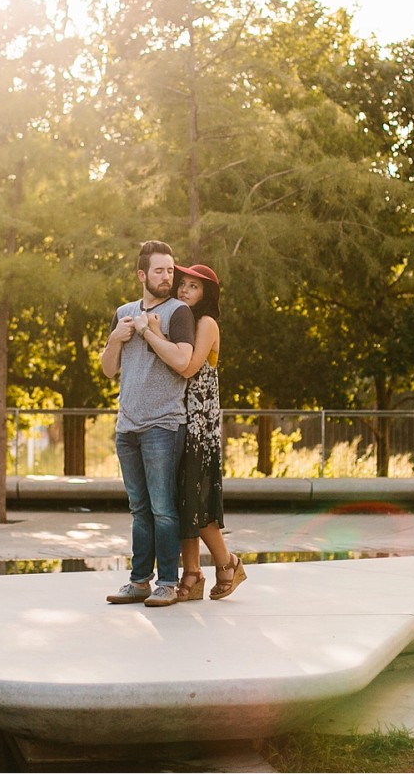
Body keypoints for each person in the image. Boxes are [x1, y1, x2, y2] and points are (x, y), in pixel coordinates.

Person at [99, 240, 195, 608]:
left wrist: (149, 332)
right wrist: (115, 338)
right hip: (128, 426)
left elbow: (183, 361)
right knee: (139, 509)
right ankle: (139, 581)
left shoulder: (179, 312)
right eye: (159, 270)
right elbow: (109, 370)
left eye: (171, 270)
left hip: (163, 425)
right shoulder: (123, 312)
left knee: (163, 509)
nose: (167, 277)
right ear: (142, 274)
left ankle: (167, 583)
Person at [142, 262, 245, 601]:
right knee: (181, 504)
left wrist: (153, 333)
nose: (184, 290)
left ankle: (228, 562)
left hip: (200, 427)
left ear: (207, 295)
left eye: (194, 287)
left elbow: (187, 367)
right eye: (183, 284)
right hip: (177, 420)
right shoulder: (181, 321)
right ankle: (192, 574)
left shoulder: (206, 323)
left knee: (197, 505)